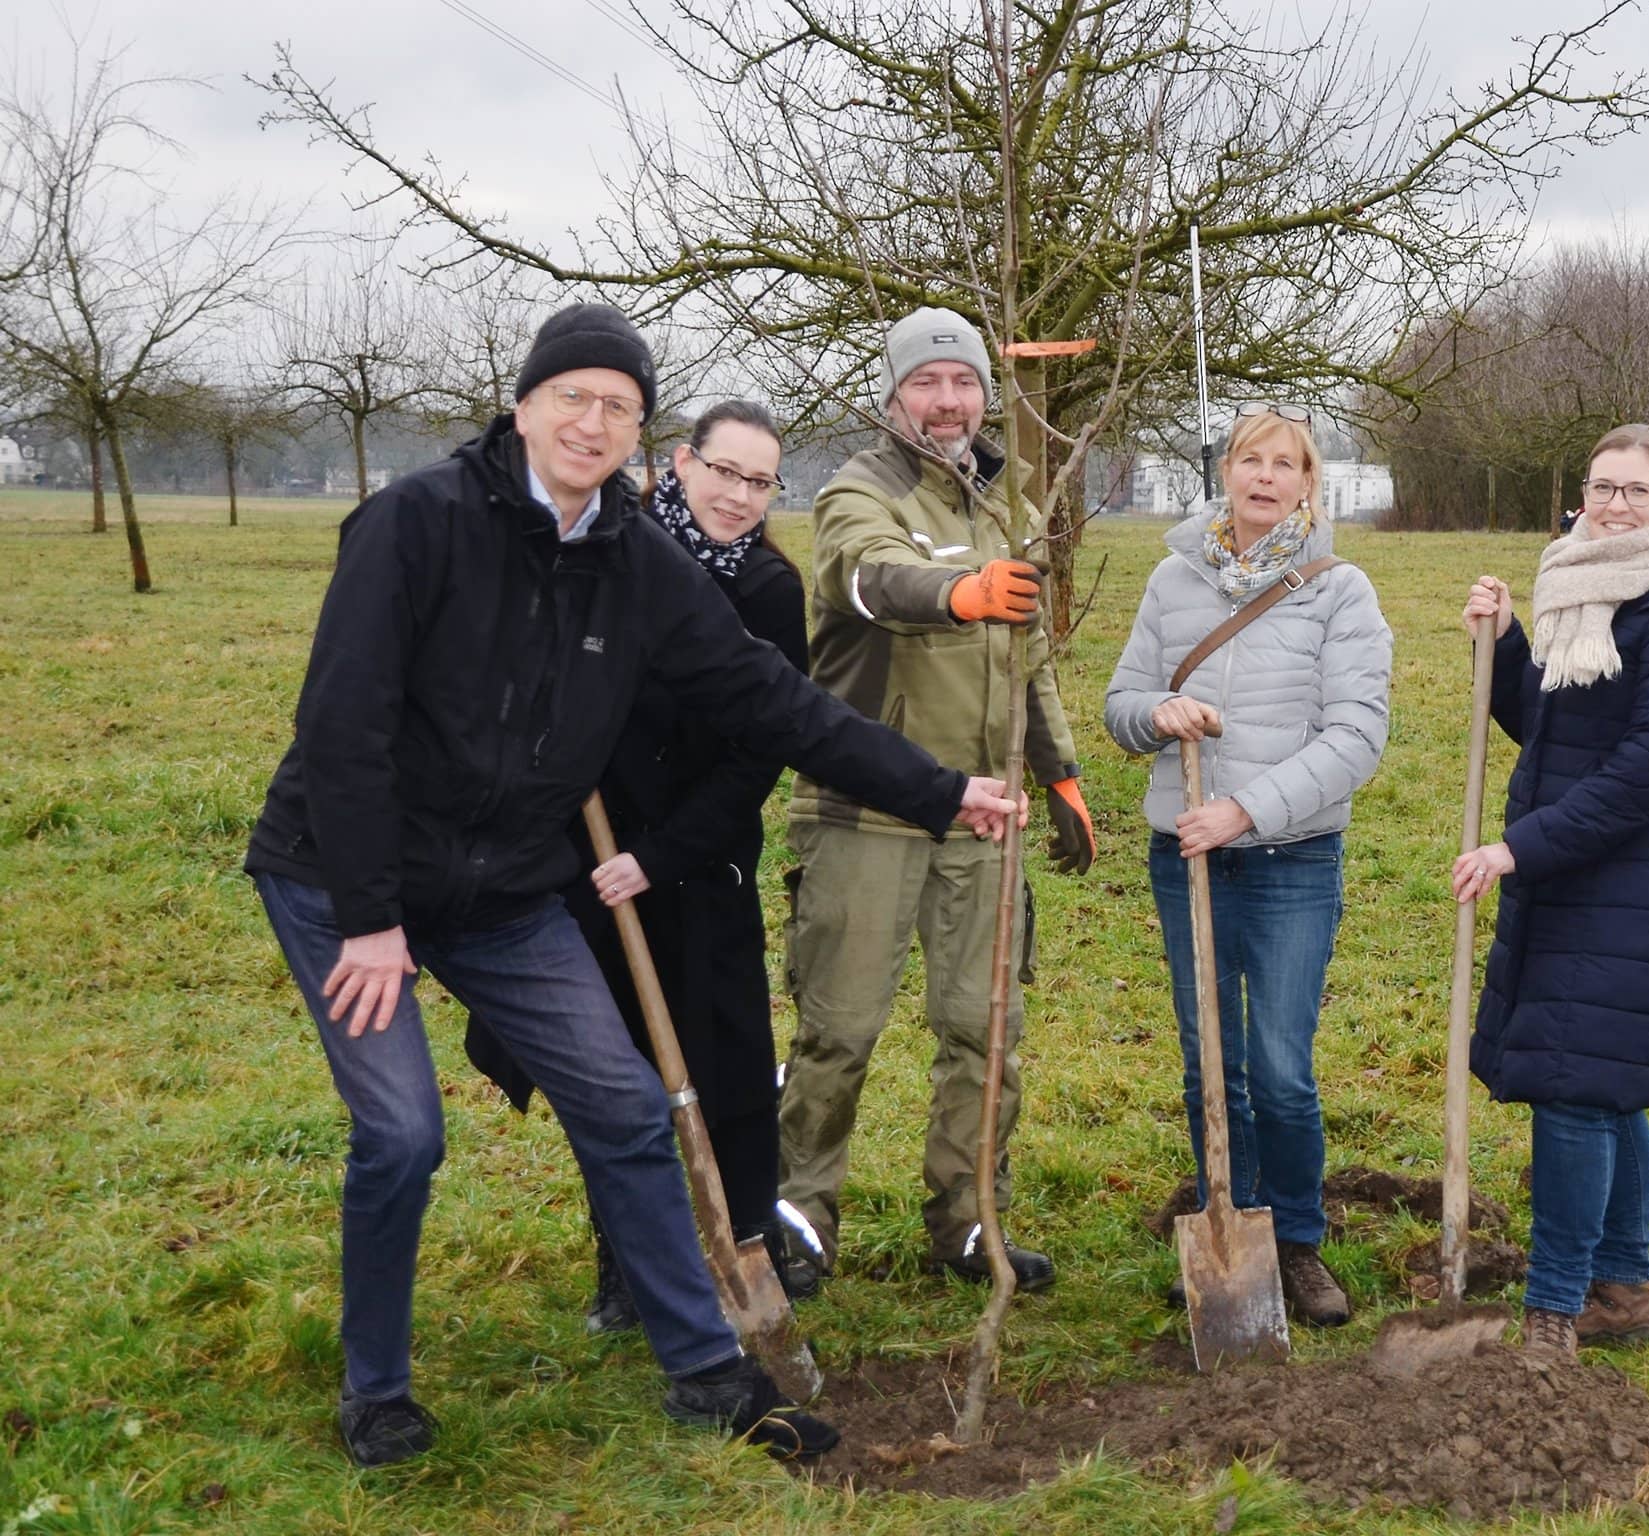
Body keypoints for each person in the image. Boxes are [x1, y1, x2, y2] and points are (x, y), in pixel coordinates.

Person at [243, 304, 1019, 1468]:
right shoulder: (413, 525)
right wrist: (368, 921)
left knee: (626, 1105)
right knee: (403, 1134)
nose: (591, 421)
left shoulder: (635, 563)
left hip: (503, 886)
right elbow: (341, 727)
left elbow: (775, 704)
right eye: (573, 397)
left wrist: (935, 787)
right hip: (346, 880)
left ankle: (706, 1370)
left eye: (617, 405)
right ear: (524, 406)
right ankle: (375, 1385)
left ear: (638, 434)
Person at [459, 400, 809, 1334]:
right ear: (681, 464)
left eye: (759, 481)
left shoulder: (772, 589)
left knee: (730, 1070)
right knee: (618, 1079)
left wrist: (666, 853)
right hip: (593, 858)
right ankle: (627, 1266)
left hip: (701, 858)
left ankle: (746, 1242)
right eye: (723, 472)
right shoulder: (607, 557)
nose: (738, 495)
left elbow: (764, 746)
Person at [775, 307, 1095, 1299]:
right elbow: (863, 577)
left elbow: (1028, 654)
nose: (947, 401)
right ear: (894, 395)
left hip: (983, 809)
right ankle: (797, 1217)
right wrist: (956, 594)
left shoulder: (1008, 502)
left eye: (962, 383)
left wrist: (1060, 772)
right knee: (841, 1027)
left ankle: (966, 1217)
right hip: (867, 808)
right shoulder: (854, 491)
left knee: (980, 1027)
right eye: (927, 383)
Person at [1454, 422, 1649, 1361]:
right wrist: (1505, 645)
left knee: (1577, 1094)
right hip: (1578, 877)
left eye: (1636, 490)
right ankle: (1624, 1286)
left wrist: (1519, 849)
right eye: (1601, 487)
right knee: (1605, 1089)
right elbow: (1552, 729)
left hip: (1642, 886)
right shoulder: (1584, 588)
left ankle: (1553, 1309)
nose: (1615, 505)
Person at [1103, 402, 1393, 1328]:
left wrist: (1245, 809)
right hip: (1184, 852)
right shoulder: (1171, 580)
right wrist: (1158, 715)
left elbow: (1358, 740)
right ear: (1224, 473)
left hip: (1290, 858)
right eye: (1248, 460)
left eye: (1285, 464)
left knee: (1277, 1065)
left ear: (1310, 483)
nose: (1265, 477)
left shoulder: (1341, 592)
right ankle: (1226, 1211)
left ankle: (1298, 1240)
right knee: (1208, 1059)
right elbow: (1119, 703)